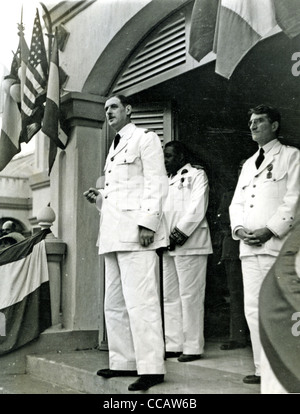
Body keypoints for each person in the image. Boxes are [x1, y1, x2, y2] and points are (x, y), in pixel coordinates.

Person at [84, 94, 168, 391]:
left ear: (128, 110)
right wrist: (101, 199)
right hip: (112, 234)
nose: (109, 112)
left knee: (141, 301)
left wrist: (148, 223)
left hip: (136, 234)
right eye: (105, 108)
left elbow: (156, 182)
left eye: (114, 107)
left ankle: (152, 367)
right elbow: (123, 193)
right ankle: (123, 361)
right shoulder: (115, 146)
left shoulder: (145, 138)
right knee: (115, 303)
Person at [229, 104, 300, 385]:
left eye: (259, 121)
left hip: (277, 246)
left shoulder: (291, 156)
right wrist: (239, 229)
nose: (253, 126)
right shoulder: (248, 164)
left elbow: (294, 199)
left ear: (275, 125)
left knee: (280, 308)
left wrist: (270, 230)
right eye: (251, 122)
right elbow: (237, 203)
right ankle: (263, 368)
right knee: (253, 308)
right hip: (249, 248)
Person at [162, 141, 212, 362]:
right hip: (167, 245)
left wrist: (178, 233)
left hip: (191, 243)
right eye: (164, 156)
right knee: (170, 296)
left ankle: (192, 346)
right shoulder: (166, 180)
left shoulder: (196, 175)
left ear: (181, 156)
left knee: (190, 296)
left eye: (170, 156)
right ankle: (174, 344)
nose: (165, 160)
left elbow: (197, 207)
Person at [216, 179, 248, 351]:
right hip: (234, 248)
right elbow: (222, 219)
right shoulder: (230, 194)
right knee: (236, 293)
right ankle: (237, 335)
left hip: (258, 246)